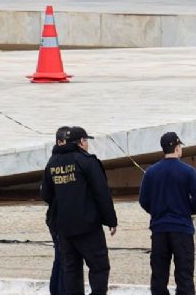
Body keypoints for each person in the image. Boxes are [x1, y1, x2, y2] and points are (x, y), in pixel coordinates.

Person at [41, 126, 118, 295]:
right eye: (86, 141)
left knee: (72, 270)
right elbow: (101, 193)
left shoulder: (52, 163)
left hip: (64, 228)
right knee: (99, 266)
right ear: (81, 142)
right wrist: (111, 220)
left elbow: (46, 194)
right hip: (88, 226)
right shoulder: (87, 161)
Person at [139, 132, 196, 295]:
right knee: (184, 275)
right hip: (182, 229)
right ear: (177, 148)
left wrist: (155, 211)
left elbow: (143, 200)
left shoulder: (151, 172)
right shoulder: (188, 171)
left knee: (159, 275)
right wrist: (189, 210)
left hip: (159, 229)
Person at [45, 126, 70, 295]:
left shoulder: (52, 162)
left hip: (55, 218)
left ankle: (56, 290)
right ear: (59, 142)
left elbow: (45, 193)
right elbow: (45, 193)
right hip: (59, 219)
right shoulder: (57, 162)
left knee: (60, 258)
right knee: (64, 259)